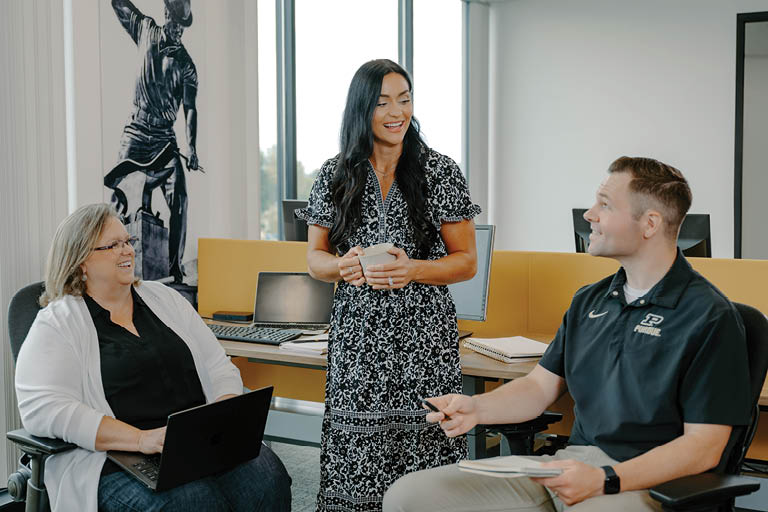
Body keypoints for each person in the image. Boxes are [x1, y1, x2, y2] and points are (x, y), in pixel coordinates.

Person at [383, 157, 752, 512]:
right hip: (569, 466)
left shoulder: (707, 316)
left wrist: (607, 479)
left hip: (643, 481)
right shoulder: (589, 300)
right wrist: (478, 408)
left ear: (650, 224)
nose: (590, 214)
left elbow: (704, 447)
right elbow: (539, 388)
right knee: (409, 497)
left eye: (604, 204)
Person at [15, 204, 291, 512]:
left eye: (127, 242)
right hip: (115, 455)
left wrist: (221, 418)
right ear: (81, 262)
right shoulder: (58, 323)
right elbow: (42, 409)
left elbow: (218, 366)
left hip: (192, 442)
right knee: (192, 502)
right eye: (112, 245)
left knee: (269, 477)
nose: (127, 252)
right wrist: (140, 439)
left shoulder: (165, 299)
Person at [296, 59, 481, 511]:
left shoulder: (439, 171)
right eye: (382, 102)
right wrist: (344, 265)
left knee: (426, 450)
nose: (397, 111)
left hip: (424, 339)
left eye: (405, 98)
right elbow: (314, 260)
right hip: (358, 339)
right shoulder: (335, 174)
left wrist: (413, 269)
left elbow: (466, 262)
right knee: (358, 455)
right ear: (362, 110)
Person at [105, 0, 202, 283]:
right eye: (174, 23)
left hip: (164, 139)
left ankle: (174, 269)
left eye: (182, 28)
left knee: (180, 198)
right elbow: (119, 4)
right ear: (165, 16)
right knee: (116, 201)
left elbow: (191, 108)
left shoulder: (187, 64)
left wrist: (192, 146)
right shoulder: (144, 29)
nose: (177, 32)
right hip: (136, 130)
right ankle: (113, 267)